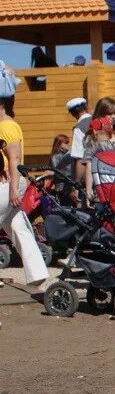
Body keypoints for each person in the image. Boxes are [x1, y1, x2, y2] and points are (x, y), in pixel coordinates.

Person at [0, 96, 50, 290]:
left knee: (16, 226)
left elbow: (15, 158)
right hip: (10, 182)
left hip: (7, 183)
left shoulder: (6, 126)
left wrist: (13, 189)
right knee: (17, 226)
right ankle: (37, 273)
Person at [66, 97, 91, 182]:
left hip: (90, 177)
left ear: (72, 114)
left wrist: (76, 185)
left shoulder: (79, 127)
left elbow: (79, 158)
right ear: (86, 107)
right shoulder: (99, 121)